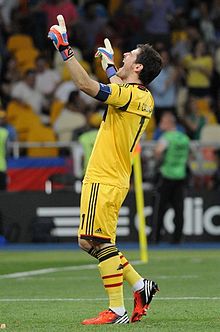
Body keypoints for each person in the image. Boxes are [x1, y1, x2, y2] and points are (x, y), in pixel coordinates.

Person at [48, 15, 162, 325]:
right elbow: (118, 89)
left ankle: (118, 310)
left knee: (97, 241)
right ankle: (140, 285)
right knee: (90, 241)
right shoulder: (142, 97)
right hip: (112, 176)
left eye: (130, 55)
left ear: (138, 68)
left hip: (105, 176)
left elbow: (85, 85)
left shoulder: (129, 95)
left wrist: (65, 49)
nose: (125, 55)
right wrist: (111, 66)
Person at [152, 112, 190, 244]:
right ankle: (177, 239)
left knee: (159, 209)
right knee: (179, 210)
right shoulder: (184, 138)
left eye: (162, 122)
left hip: (166, 176)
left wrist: (157, 161)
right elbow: (190, 156)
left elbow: (158, 151)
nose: (161, 124)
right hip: (181, 176)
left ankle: (155, 238)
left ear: (169, 123)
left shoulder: (166, 137)